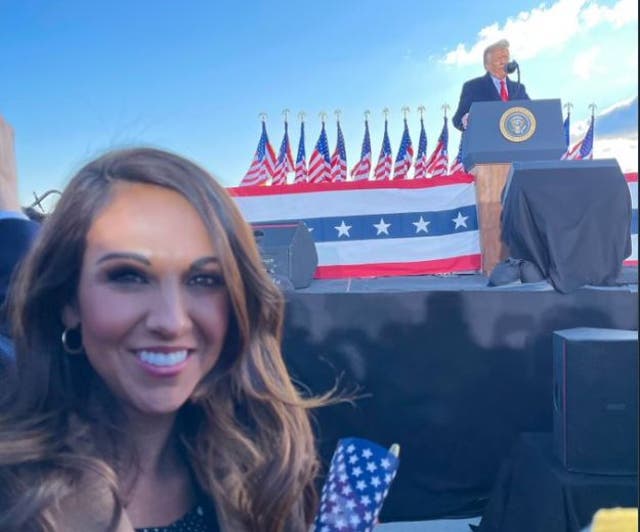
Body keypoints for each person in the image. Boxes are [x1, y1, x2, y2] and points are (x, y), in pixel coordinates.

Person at [0, 145, 329, 531]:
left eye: (205, 279)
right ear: (69, 300)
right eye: (128, 276)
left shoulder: (268, 472)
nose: (171, 321)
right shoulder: (14, 493)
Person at [452, 39, 530, 131]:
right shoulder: (472, 87)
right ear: (487, 65)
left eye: (505, 58)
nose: (503, 62)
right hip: (486, 142)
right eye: (498, 59)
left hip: (516, 143)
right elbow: (457, 119)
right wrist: (465, 120)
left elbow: (532, 115)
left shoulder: (519, 88)